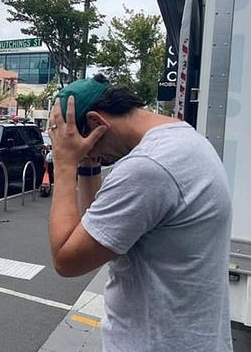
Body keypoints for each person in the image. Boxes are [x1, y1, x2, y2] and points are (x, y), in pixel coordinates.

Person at [47, 74, 232, 351]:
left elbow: (67, 259)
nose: (84, 151)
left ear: (97, 123)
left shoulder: (147, 167)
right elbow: (98, 230)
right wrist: (87, 165)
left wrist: (63, 166)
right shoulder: (184, 138)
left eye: (83, 144)